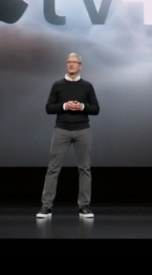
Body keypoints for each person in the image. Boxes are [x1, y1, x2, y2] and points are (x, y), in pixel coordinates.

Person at [37, 53, 100, 219]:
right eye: (69, 62)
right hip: (62, 130)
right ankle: (46, 207)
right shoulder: (57, 85)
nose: (71, 65)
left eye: (74, 62)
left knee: (84, 169)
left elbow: (95, 109)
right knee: (53, 169)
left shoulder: (87, 86)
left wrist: (81, 107)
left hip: (82, 130)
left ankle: (84, 206)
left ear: (80, 66)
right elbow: (49, 107)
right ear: (66, 65)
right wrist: (65, 105)